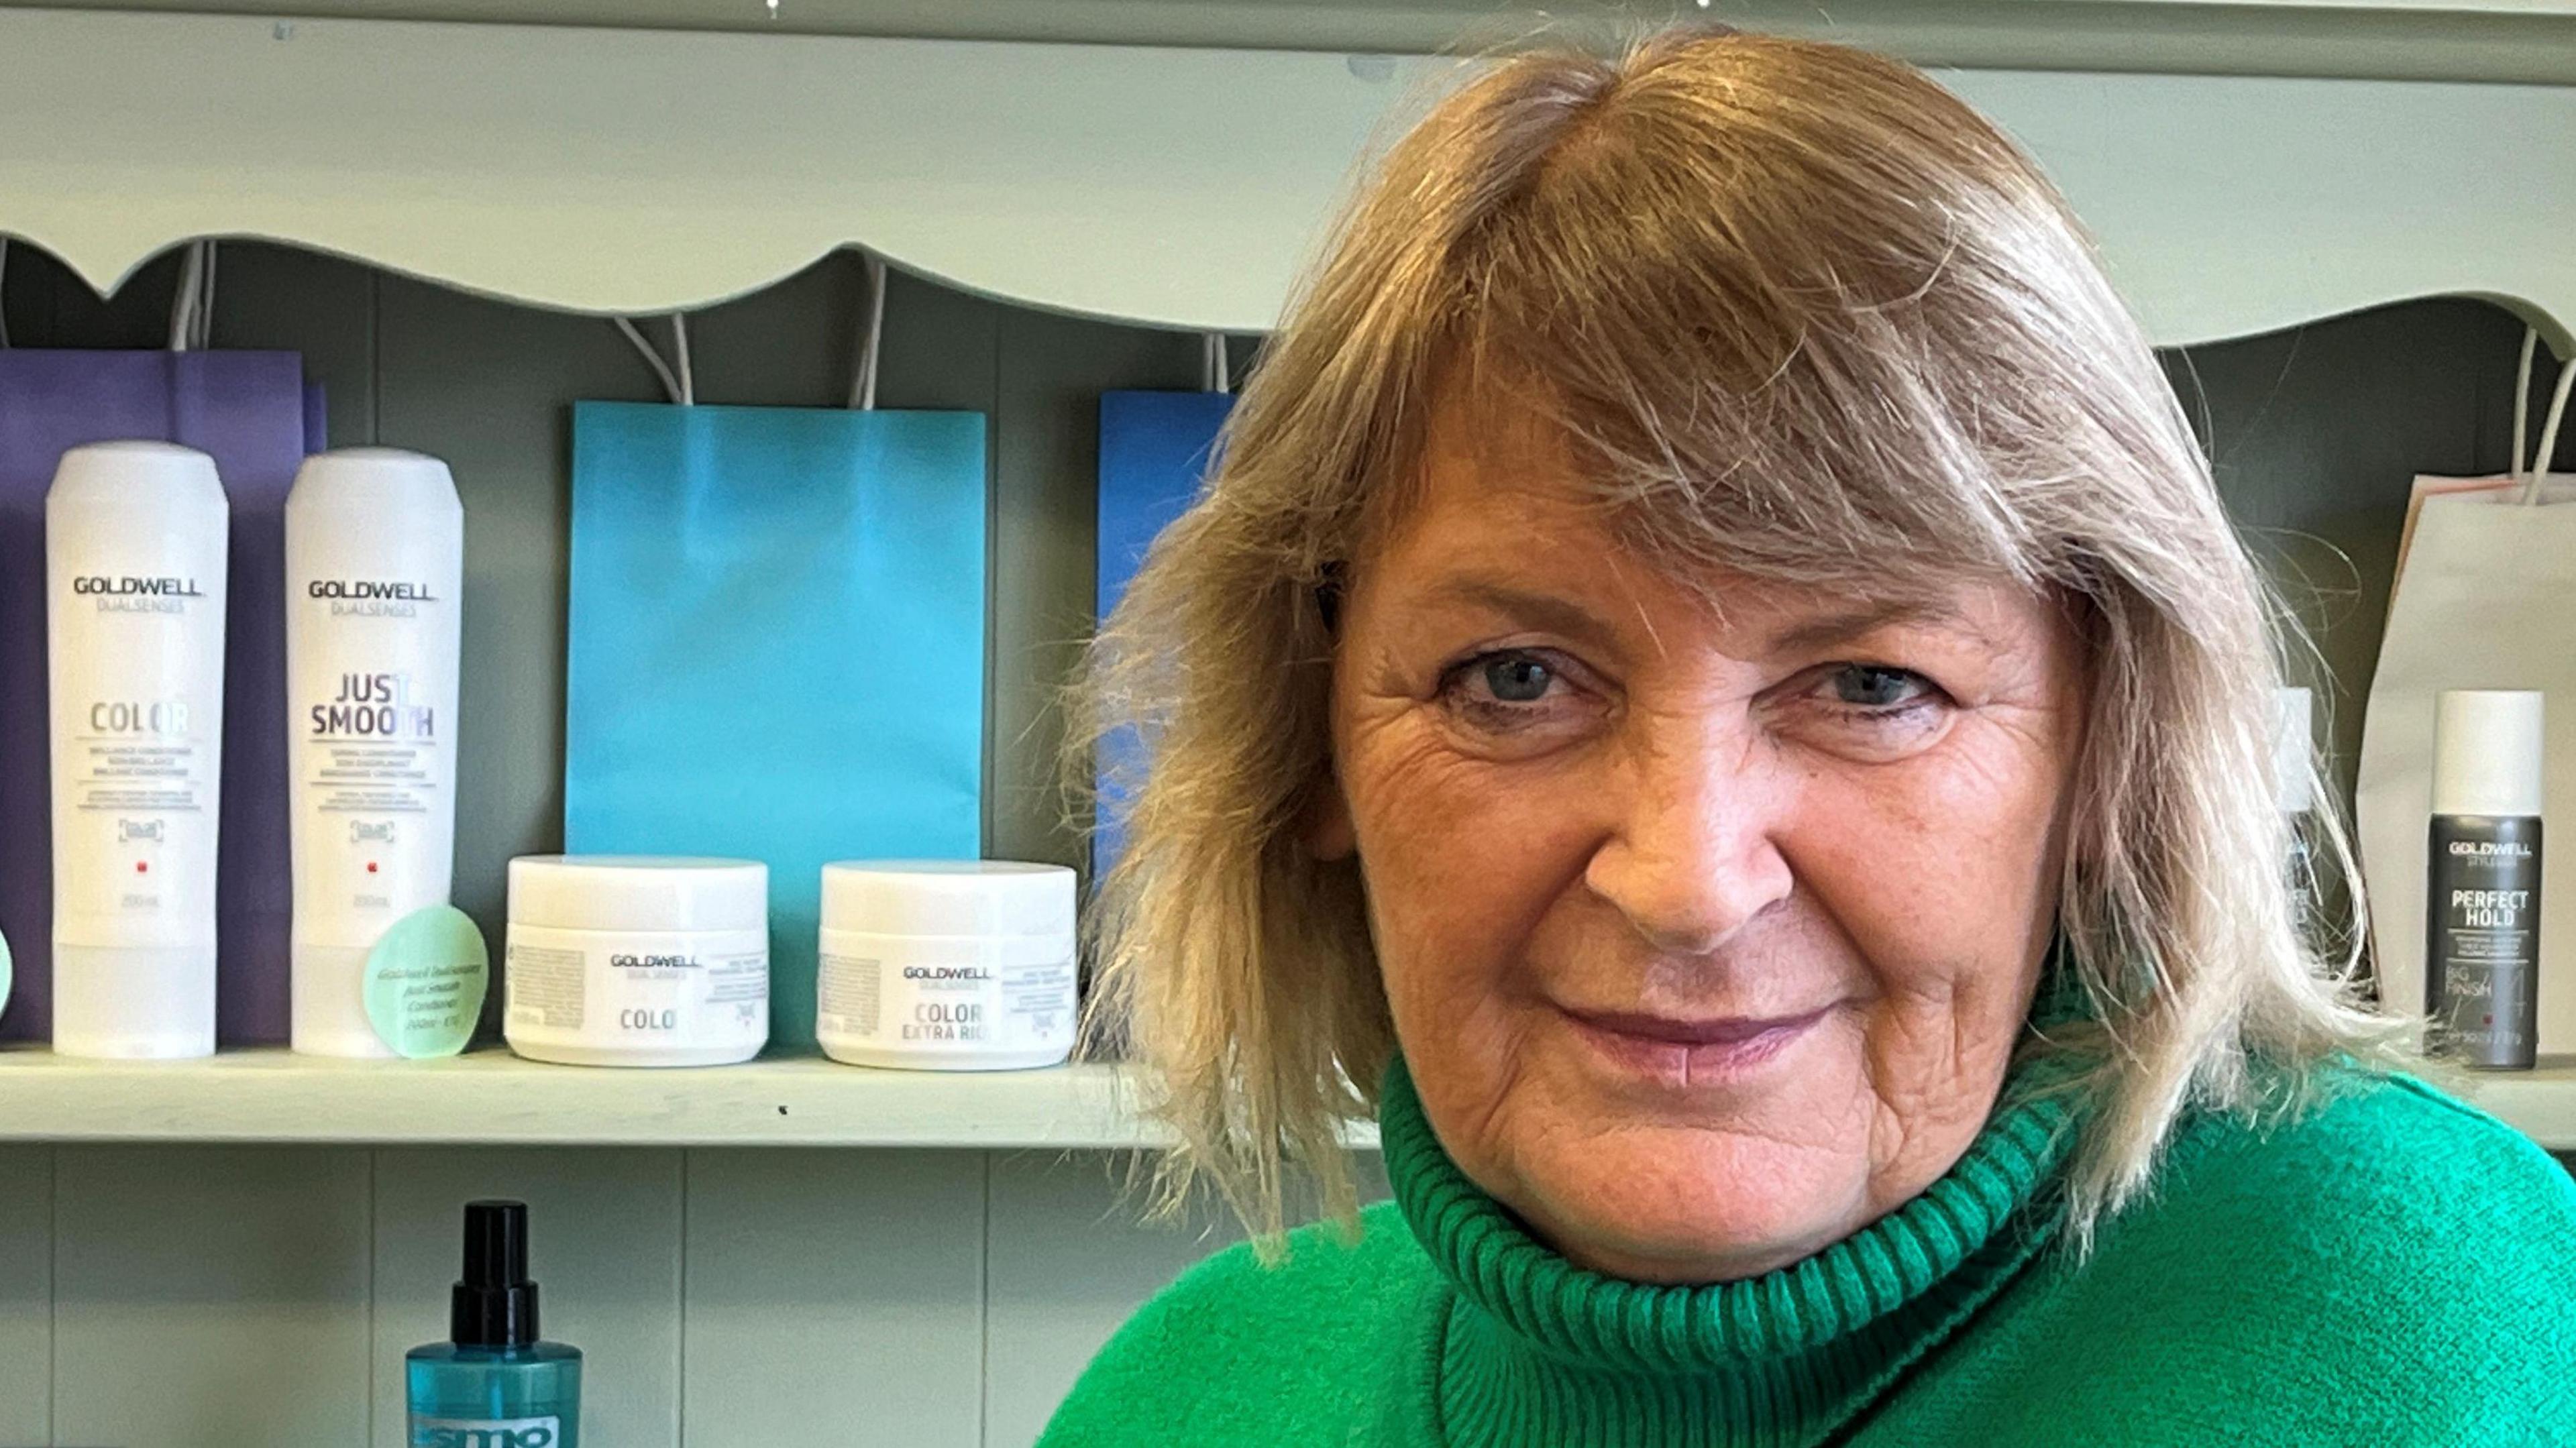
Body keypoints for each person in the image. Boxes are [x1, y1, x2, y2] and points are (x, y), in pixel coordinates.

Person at [1042, 27, 2576, 1447]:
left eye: (1870, 686)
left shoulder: (2448, 1331)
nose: (1689, 881)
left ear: (2110, 749)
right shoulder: (1184, 1393)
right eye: (1514, 679)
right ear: (1309, 750)